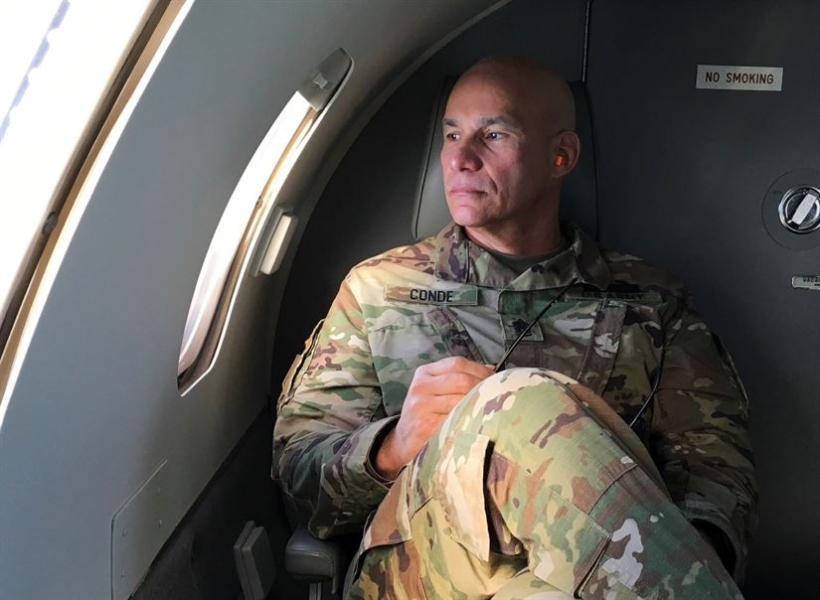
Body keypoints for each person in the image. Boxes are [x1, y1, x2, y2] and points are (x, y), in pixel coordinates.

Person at [272, 57, 757, 599]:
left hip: (582, 581)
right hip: (418, 571)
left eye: (493, 134)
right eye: (452, 134)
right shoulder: (378, 291)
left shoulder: (651, 303)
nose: (460, 158)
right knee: (517, 401)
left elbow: (714, 473)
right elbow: (301, 483)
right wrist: (393, 445)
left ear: (561, 156)